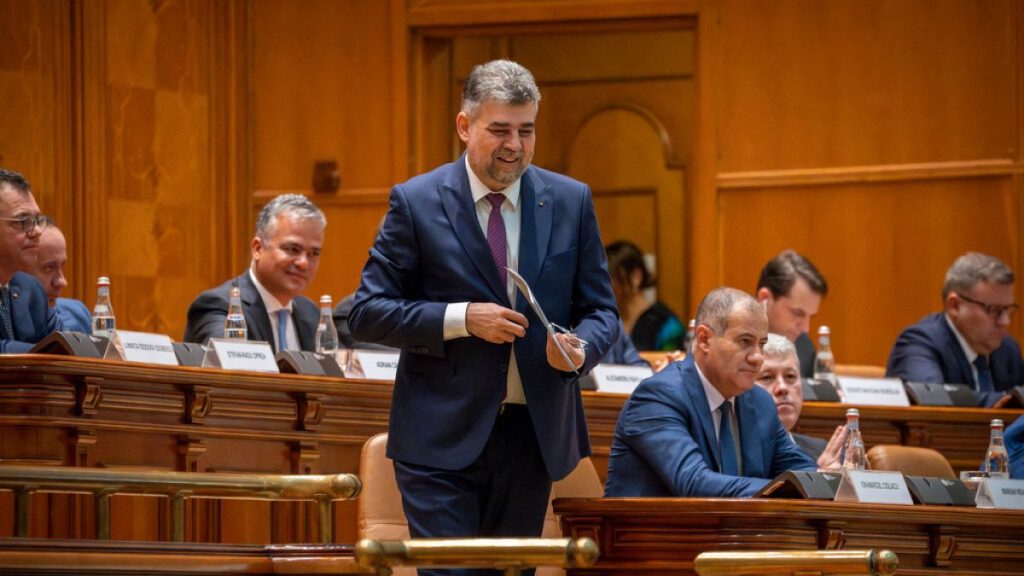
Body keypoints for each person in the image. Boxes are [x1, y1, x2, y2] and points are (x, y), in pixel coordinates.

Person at [348, 60, 617, 573]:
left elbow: (601, 310)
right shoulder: (417, 202)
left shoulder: (570, 200)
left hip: (531, 435)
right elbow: (365, 312)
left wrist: (581, 348)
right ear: (464, 126)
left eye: (526, 129)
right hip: (438, 438)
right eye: (499, 130)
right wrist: (460, 318)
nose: (514, 144)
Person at [604, 287, 825, 498]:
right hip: (651, 534)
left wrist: (830, 480)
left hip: (732, 533)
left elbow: (799, 470)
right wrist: (779, 488)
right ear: (704, 339)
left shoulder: (759, 402)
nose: (758, 357)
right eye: (745, 342)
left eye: (762, 344)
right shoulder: (658, 397)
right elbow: (694, 482)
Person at [184, 194, 325, 352]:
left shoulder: (311, 313)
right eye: (292, 249)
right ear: (258, 249)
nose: (303, 263)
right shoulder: (221, 306)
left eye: (313, 253)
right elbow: (228, 366)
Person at [886, 252, 1023, 407]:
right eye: (993, 309)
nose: (1005, 321)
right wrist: (1008, 402)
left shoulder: (1007, 349)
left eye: (1008, 309)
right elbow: (932, 398)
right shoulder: (919, 342)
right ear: (955, 306)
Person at [756, 333, 843, 462]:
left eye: (790, 376)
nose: (782, 387)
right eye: (767, 377)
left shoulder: (824, 451)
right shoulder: (736, 455)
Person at [0, 169, 61, 352]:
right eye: (22, 221)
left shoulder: (30, 290)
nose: (36, 231)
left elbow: (59, 349)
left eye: (36, 220)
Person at [755, 250, 828, 378]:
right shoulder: (734, 345)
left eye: (810, 316)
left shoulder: (803, 346)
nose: (806, 328)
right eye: (797, 313)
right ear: (764, 298)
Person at [606, 239, 685, 351]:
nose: (604, 286)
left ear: (636, 277)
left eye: (610, 278)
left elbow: (674, 366)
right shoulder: (607, 321)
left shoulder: (666, 324)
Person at [23, 219, 91, 333]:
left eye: (62, 266)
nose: (62, 282)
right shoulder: (7, 323)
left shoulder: (78, 314)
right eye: (49, 267)